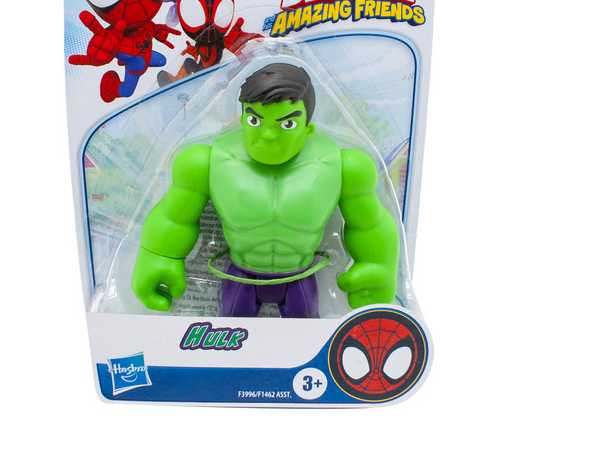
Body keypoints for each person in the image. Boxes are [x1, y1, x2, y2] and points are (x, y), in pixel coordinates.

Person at [132, 63, 399, 317]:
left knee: (307, 339)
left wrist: (378, 265)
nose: (268, 135)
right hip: (241, 276)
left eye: (287, 124)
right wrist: (158, 257)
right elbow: (174, 218)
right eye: (255, 120)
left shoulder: (343, 167)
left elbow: (369, 225)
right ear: (242, 118)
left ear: (308, 128)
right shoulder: (206, 162)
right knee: (230, 337)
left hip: (300, 277)